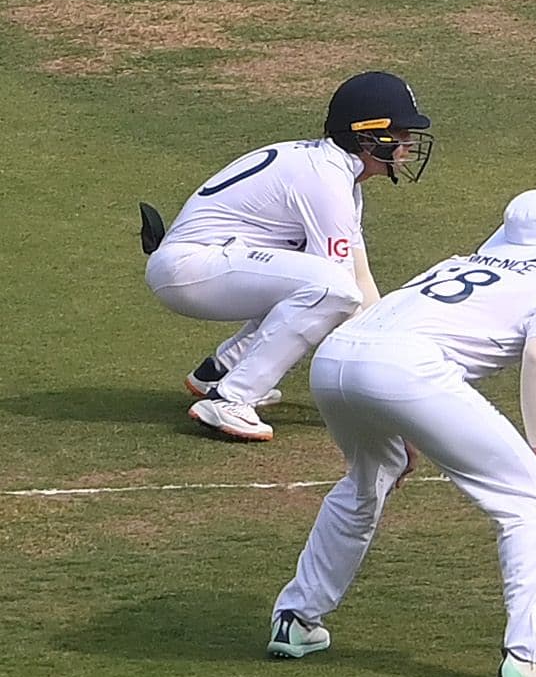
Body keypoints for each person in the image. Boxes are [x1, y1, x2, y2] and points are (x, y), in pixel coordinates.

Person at [266, 188, 536, 677]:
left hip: (335, 361)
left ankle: (296, 618)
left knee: (367, 479)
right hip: (401, 370)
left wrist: (400, 423)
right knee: (528, 494)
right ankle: (531, 657)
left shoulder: (454, 263)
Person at [142, 71, 430, 442]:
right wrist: (385, 382)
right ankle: (231, 400)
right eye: (401, 134)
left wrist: (387, 347)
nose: (408, 145)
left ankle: (221, 371)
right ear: (367, 137)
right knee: (329, 290)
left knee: (321, 287)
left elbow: (361, 279)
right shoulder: (326, 181)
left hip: (207, 262)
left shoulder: (338, 177)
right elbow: (343, 295)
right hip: (191, 268)